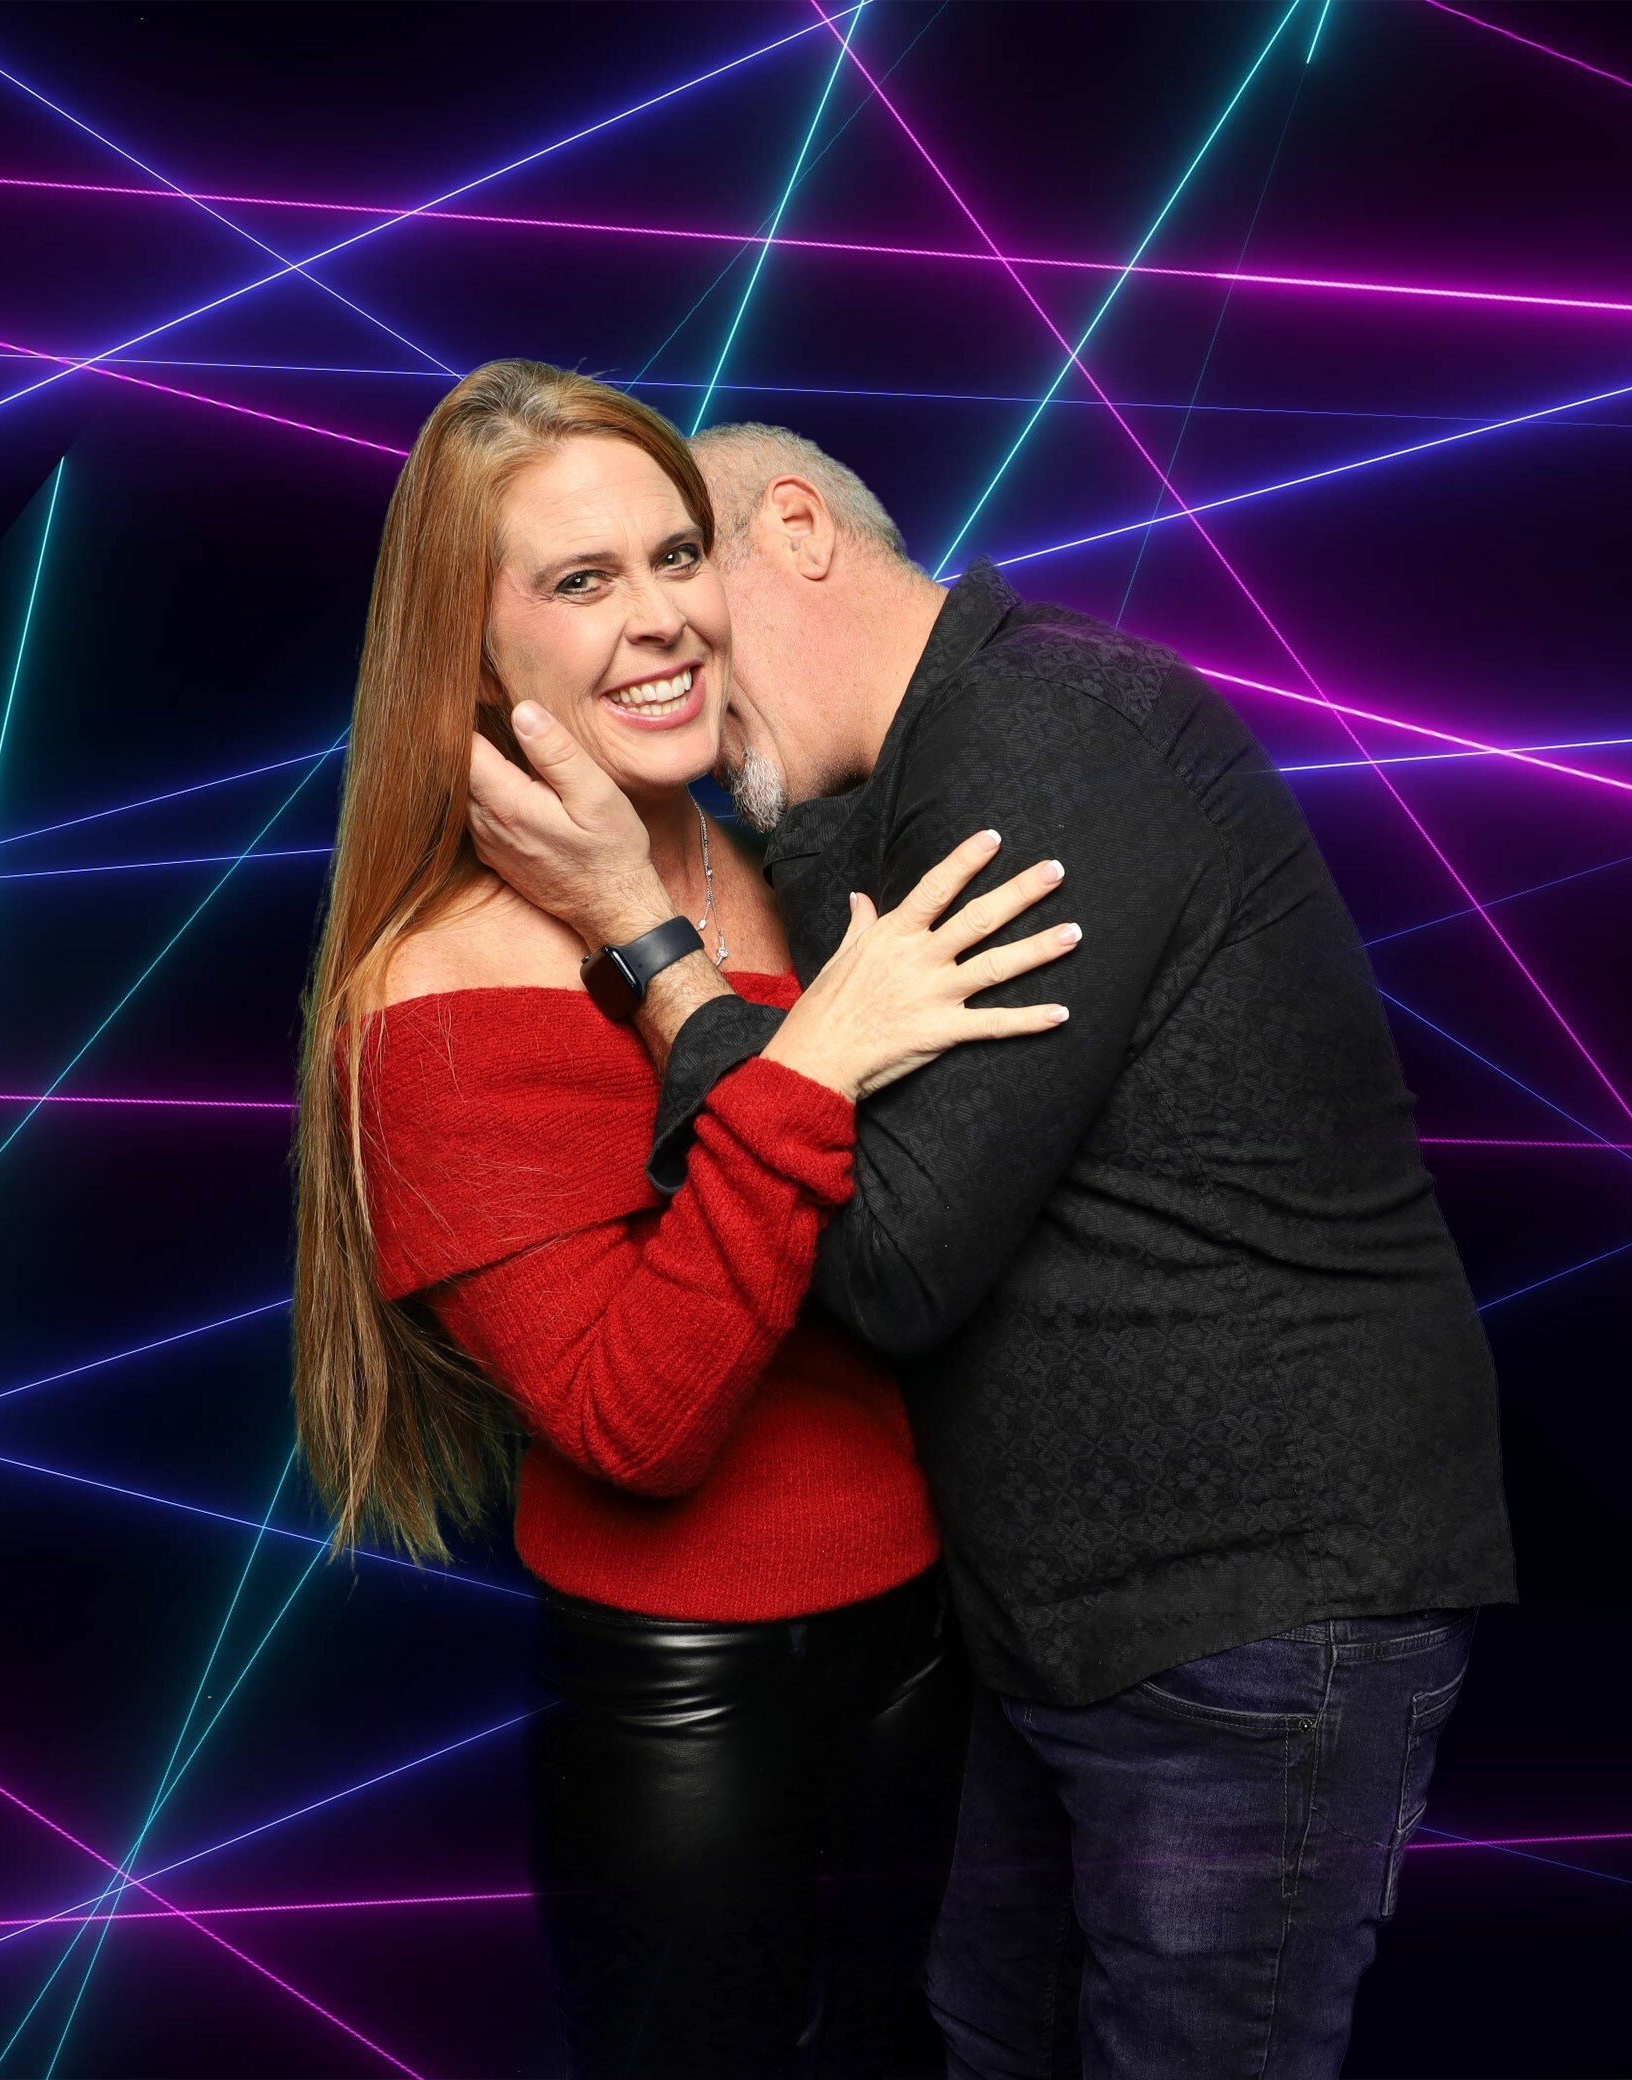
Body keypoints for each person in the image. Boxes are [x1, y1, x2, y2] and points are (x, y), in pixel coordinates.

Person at [466, 422, 1520, 2078]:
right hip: (1060, 1620)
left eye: (685, 575)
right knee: (979, 2044)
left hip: (1251, 1608)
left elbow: (889, 1258)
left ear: (794, 528)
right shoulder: (888, 786)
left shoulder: (1047, 728)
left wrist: (643, 940)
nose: (672, 658)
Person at [288, 364, 1081, 2078]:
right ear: (470, 654)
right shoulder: (433, 999)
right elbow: (633, 1424)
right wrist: (805, 1063)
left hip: (944, 1634)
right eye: (581, 582)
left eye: (674, 556)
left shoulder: (785, 866)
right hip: (699, 1698)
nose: (659, 620)